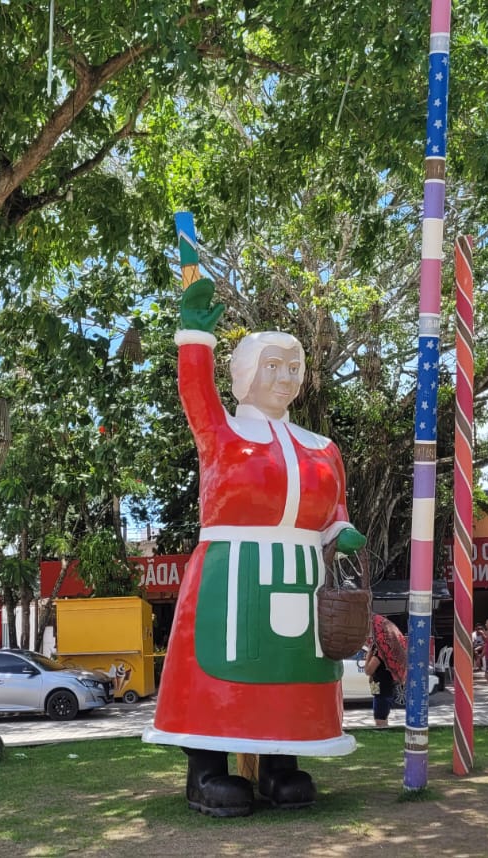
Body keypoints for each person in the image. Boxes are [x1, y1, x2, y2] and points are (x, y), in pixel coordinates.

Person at [143, 278, 365, 818]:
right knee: (223, 670)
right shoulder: (220, 432)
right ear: (245, 375)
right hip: (231, 573)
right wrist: (194, 334)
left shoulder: (323, 447)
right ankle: (206, 775)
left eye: (293, 368)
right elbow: (194, 389)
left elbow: (334, 510)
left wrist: (341, 531)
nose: (285, 378)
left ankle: (278, 770)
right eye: (272, 365)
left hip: (302, 572)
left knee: (292, 675)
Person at [364, 641, 397, 728]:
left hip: (382, 691)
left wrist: (369, 655)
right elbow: (372, 677)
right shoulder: (389, 652)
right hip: (385, 690)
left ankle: (386, 737)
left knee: (380, 721)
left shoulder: (380, 654)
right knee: (382, 718)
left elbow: (368, 671)